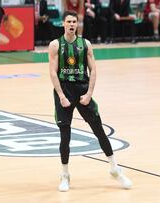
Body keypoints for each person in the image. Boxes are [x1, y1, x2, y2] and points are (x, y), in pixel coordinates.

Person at [48, 10, 132, 192]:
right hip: (64, 90)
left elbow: (93, 70)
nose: (71, 25)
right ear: (63, 23)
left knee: (98, 129)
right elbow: (53, 72)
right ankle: (65, 174)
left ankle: (114, 168)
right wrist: (61, 96)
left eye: (74, 22)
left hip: (82, 90)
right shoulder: (55, 45)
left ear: (77, 24)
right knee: (65, 135)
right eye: (68, 21)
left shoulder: (85, 44)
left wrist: (89, 94)